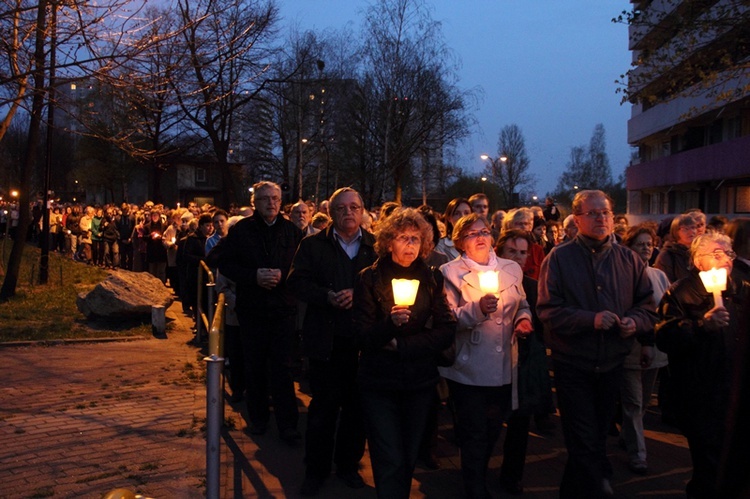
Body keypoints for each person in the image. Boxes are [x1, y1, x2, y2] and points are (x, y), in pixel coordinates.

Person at [537, 190, 657, 498]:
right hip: (573, 363)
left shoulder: (628, 259)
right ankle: (598, 488)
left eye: (605, 213)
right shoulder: (559, 259)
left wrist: (635, 322)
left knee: (594, 438)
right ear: (577, 220)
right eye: (592, 213)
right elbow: (548, 311)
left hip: (612, 363)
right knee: (584, 438)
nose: (601, 218)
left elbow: (647, 306)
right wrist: (589, 319)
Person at [353, 207, 456, 499]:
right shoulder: (369, 278)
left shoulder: (432, 277)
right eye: (402, 238)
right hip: (379, 382)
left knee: (409, 454)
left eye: (415, 238)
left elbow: (446, 328)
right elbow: (361, 335)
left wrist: (404, 345)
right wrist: (389, 325)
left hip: (419, 382)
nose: (409, 244)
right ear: (388, 242)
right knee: (389, 455)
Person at [286, 187, 377, 496]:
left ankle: (348, 465)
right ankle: (316, 470)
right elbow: (296, 282)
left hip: (363, 342)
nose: (348, 212)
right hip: (326, 340)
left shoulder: (375, 247)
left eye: (354, 207)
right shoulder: (313, 245)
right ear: (331, 211)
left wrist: (360, 296)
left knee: (356, 409)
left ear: (363, 211)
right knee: (323, 410)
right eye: (341, 208)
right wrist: (327, 296)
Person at [439, 213, 533, 499]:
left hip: (504, 364)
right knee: (474, 433)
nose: (480, 237)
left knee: (493, 429)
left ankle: (477, 475)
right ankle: (474, 487)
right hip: (469, 366)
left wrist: (523, 318)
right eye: (471, 234)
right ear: (459, 242)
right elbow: (449, 318)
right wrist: (478, 309)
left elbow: (522, 302)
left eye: (484, 231)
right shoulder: (449, 272)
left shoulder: (511, 269)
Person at [656, 232, 747, 498]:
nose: (725, 259)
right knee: (708, 464)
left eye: (728, 254)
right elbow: (664, 335)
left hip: (738, 392)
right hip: (701, 392)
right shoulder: (681, 292)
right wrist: (700, 326)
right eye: (716, 254)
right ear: (698, 261)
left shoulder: (743, 288)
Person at [217, 181, 304, 443]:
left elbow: (302, 268)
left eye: (276, 198)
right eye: (265, 198)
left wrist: (284, 276)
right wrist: (253, 276)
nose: (271, 203)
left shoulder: (292, 232)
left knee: (283, 368)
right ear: (255, 202)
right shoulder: (241, 231)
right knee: (254, 366)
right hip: (252, 309)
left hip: (282, 309)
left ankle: (288, 424)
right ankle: (258, 419)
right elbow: (225, 263)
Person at [494, 229, 554, 495]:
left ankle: (511, 476)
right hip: (493, 365)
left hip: (524, 365)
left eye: (522, 252)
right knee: (491, 423)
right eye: (511, 252)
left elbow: (543, 327)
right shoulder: (488, 283)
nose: (518, 258)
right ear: (499, 252)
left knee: (519, 426)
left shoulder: (532, 286)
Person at [620, 224, 670, 475]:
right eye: (640, 244)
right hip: (632, 347)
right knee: (633, 401)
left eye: (649, 244)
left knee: (644, 401)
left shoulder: (659, 275)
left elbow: (664, 308)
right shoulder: (623, 275)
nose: (646, 249)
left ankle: (628, 436)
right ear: (629, 248)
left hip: (657, 348)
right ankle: (638, 454)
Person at [654, 214, 698, 283]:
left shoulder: (699, 252)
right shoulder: (667, 255)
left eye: (693, 227)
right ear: (675, 231)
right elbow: (664, 282)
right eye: (685, 229)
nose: (691, 232)